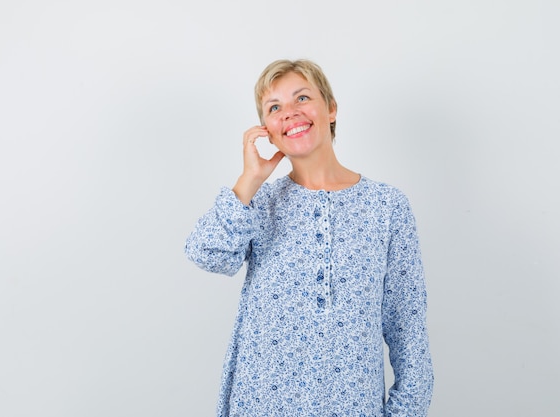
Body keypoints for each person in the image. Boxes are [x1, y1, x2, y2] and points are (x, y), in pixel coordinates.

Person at [184, 59, 433, 417]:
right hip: (261, 405)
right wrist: (249, 181)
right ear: (267, 130)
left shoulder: (387, 207)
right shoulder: (258, 203)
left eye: (302, 98)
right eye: (274, 108)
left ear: (330, 109)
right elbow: (207, 253)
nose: (289, 113)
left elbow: (408, 331)